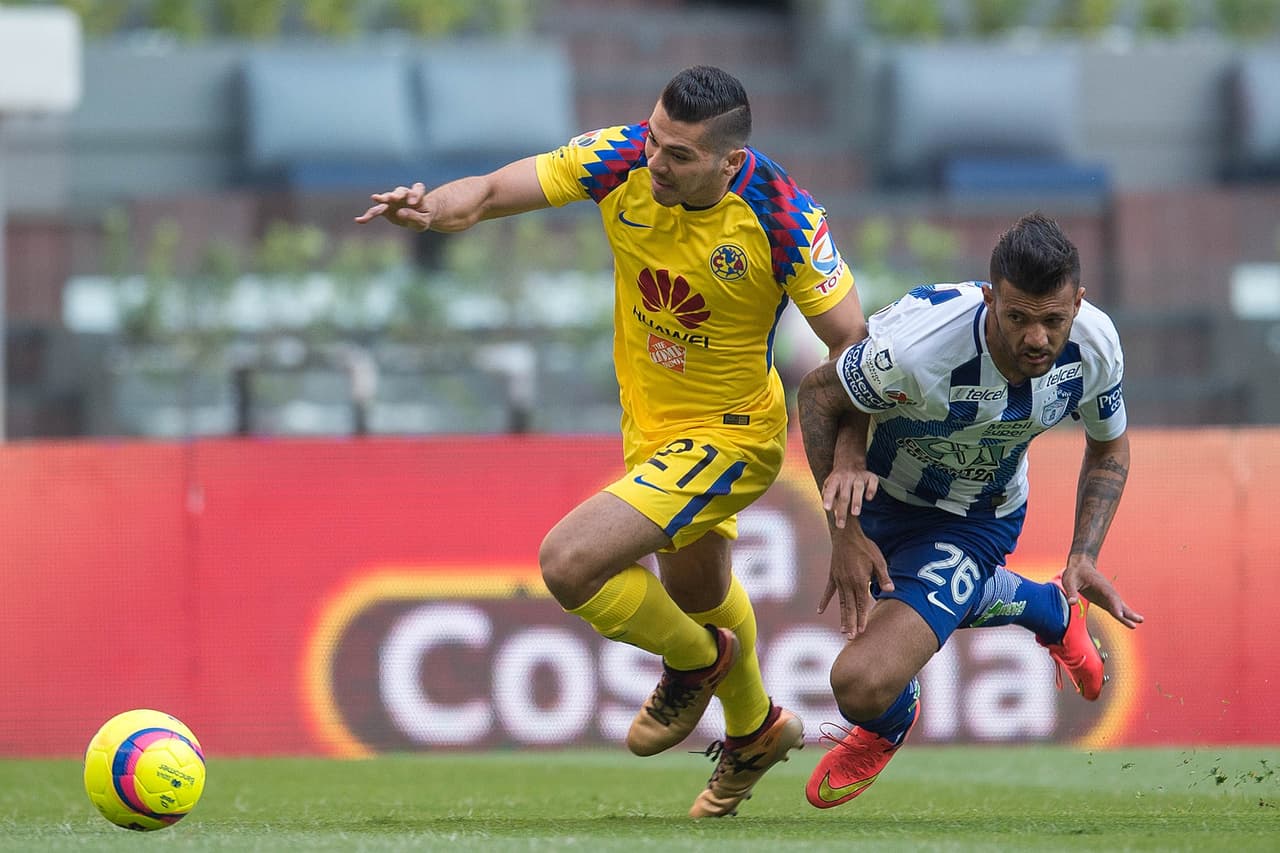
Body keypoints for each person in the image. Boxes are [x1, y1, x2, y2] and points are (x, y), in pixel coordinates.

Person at [356, 65, 867, 817]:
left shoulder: (783, 216)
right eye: (654, 139)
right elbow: (495, 192)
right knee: (697, 590)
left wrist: (848, 464)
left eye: (679, 155)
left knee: (569, 563)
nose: (654, 161)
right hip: (651, 427)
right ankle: (755, 727)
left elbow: (854, 349)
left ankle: (697, 659)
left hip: (733, 434)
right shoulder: (621, 158)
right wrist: (430, 209)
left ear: (729, 162)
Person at [794, 212, 1145, 809]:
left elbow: (1109, 444)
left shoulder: (1095, 344)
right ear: (989, 299)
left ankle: (886, 721)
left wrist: (1083, 555)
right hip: (880, 497)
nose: (1037, 338)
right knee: (864, 663)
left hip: (974, 518)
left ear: (1078, 302)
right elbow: (822, 392)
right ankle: (1046, 610)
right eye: (1018, 318)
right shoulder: (919, 346)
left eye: (1053, 320)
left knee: (858, 686)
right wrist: (844, 531)